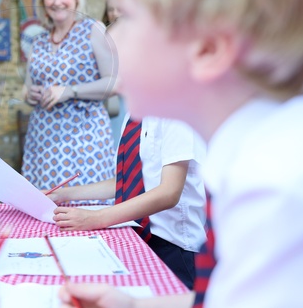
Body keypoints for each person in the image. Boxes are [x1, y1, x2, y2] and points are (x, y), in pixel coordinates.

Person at [59, 0, 303, 307]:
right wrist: (131, 303)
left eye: (131, 15)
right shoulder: (253, 156)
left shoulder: (281, 190)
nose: (112, 35)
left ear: (207, 47)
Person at [48, 116, 206, 289]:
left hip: (173, 247)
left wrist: (96, 218)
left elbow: (169, 192)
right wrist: (61, 194)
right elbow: (124, 182)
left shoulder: (176, 118)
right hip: (138, 238)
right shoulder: (134, 117)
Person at [21, 0, 117, 195]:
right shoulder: (38, 40)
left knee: (83, 206)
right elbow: (26, 88)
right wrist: (30, 94)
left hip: (85, 139)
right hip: (42, 141)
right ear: (42, 1)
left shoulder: (93, 29)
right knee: (43, 205)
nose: (57, 2)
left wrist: (70, 91)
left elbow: (114, 82)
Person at [102, 3, 126, 148]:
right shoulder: (101, 37)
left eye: (119, 9)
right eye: (111, 10)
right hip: (109, 104)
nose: (115, 13)